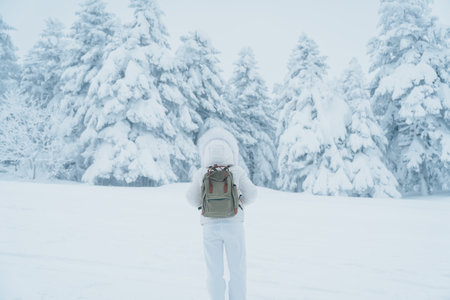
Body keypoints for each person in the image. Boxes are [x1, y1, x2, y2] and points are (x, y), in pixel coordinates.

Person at [186, 127, 257, 300]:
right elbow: (253, 194)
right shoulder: (236, 171)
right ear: (230, 151)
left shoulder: (202, 173)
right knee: (237, 270)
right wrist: (239, 203)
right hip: (234, 225)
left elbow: (191, 198)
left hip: (210, 227)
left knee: (214, 272)